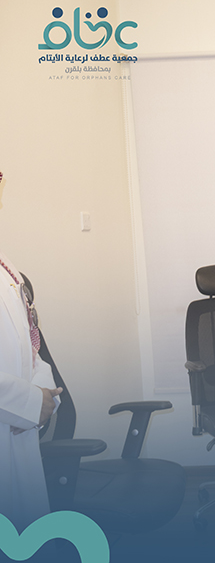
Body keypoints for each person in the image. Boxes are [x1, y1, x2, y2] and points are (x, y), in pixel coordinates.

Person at [0, 171, 63, 531]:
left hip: (19, 430)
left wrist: (43, 394)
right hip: (10, 417)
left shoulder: (8, 268)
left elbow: (31, 342)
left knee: (25, 538)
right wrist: (27, 401)